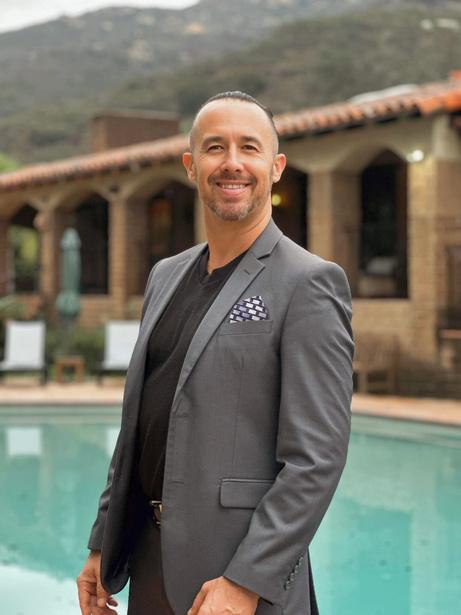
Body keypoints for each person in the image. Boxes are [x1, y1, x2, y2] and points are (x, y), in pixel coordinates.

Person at [77, 91, 354, 615]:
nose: (232, 162)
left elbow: (316, 460)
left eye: (249, 147)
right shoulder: (165, 277)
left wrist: (246, 580)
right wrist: (102, 543)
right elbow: (140, 427)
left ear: (275, 168)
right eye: (214, 147)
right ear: (191, 166)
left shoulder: (309, 283)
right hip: (149, 564)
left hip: (235, 580)